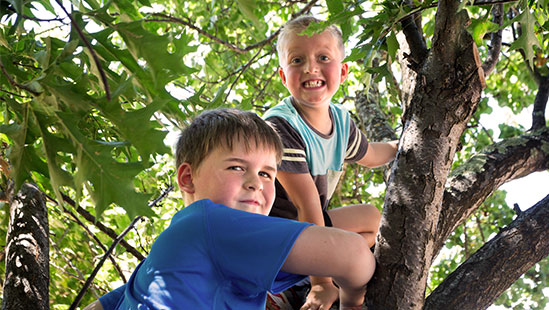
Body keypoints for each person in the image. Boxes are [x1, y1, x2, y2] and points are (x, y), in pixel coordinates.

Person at [83, 108, 375, 310]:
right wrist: (352, 300)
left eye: (266, 174)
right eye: (237, 167)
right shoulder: (209, 223)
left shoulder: (158, 268)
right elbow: (352, 254)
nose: (255, 184)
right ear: (188, 178)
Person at [264, 16, 398, 310]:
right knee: (352, 250)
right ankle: (295, 285)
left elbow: (370, 155)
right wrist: (321, 284)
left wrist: (400, 146)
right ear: (284, 77)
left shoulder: (340, 122)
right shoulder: (280, 126)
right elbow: (306, 204)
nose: (310, 67)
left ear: (343, 70)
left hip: (309, 229)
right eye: (297, 60)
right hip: (275, 239)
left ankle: (307, 279)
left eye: (323, 57)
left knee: (373, 220)